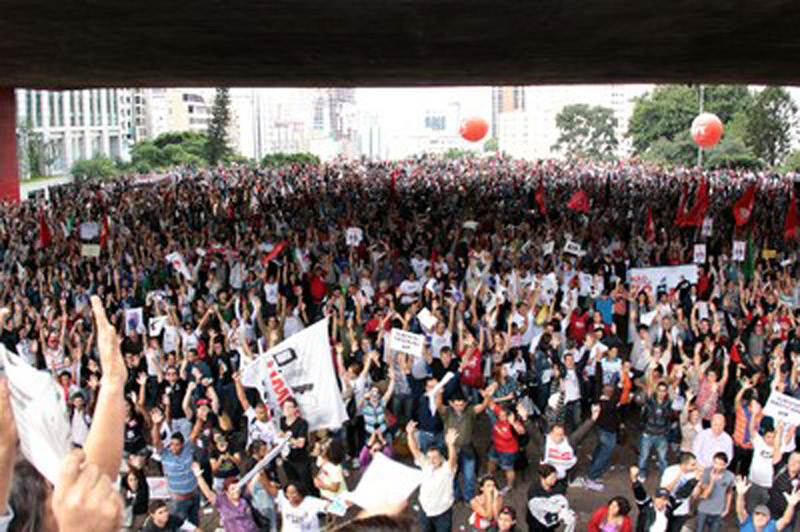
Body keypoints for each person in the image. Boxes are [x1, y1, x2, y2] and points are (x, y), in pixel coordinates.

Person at [406, 421, 458, 532]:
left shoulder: (447, 470)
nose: (432, 460)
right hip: (424, 510)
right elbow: (414, 450)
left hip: (442, 512)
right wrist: (410, 434)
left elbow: (452, 460)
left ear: (441, 458)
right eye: (429, 457)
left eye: (435, 457)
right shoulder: (426, 465)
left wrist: (451, 445)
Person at [630, 464, 700, 532]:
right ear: (654, 498)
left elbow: (682, 494)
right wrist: (634, 479)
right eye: (659, 498)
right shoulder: (646, 506)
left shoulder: (669, 506)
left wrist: (695, 480)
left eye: (664, 499)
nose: (661, 501)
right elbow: (639, 493)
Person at [192, 463, 259, 532]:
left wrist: (259, 468)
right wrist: (198, 476)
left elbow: (254, 479)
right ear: (226, 492)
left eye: (238, 488)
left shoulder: (244, 496)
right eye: (233, 489)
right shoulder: (222, 502)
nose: (236, 491)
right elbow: (208, 493)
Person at [735, 475, 800, 532]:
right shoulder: (747, 522)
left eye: (764, 515)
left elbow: (786, 520)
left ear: (768, 519)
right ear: (753, 516)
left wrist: (791, 505)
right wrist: (740, 494)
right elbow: (740, 510)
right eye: (757, 514)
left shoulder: (772, 527)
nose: (760, 517)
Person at [526, 464, 576, 532]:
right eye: (552, 477)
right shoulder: (534, 490)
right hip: (536, 521)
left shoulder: (559, 487)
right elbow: (534, 506)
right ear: (542, 478)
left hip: (552, 520)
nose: (554, 479)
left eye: (555, 476)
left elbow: (561, 502)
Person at [659, 451, 699, 532]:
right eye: (692, 465)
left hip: (682, 510)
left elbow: (695, 495)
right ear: (684, 464)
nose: (695, 467)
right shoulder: (670, 471)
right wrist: (677, 478)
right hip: (668, 506)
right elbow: (664, 490)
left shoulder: (694, 474)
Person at [695, 452, 735, 532]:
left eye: (720, 464)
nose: (717, 466)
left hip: (718, 511)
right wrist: (712, 481)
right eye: (715, 463)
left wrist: (727, 509)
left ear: (725, 465)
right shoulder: (706, 473)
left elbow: (729, 492)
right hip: (703, 509)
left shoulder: (730, 476)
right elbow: (704, 495)